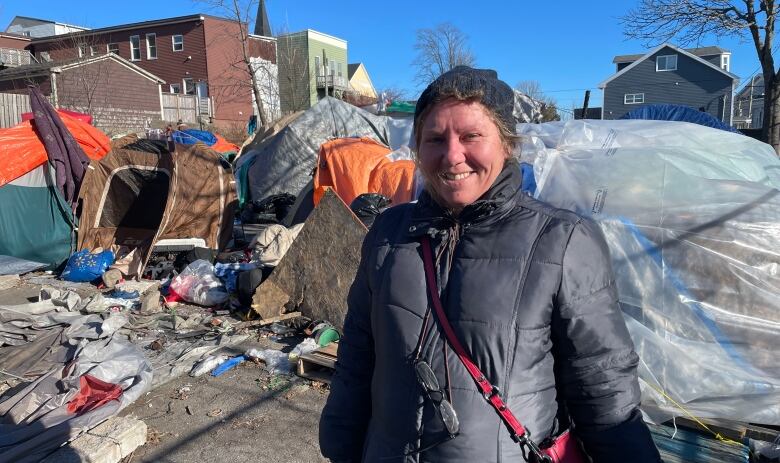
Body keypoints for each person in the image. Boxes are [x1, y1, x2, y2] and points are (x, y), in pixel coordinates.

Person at [319, 66, 661, 463]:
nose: (452, 155)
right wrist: (341, 443)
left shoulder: (561, 241)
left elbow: (602, 386)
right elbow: (358, 355)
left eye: (471, 136)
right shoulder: (389, 234)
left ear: (507, 144)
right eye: (434, 138)